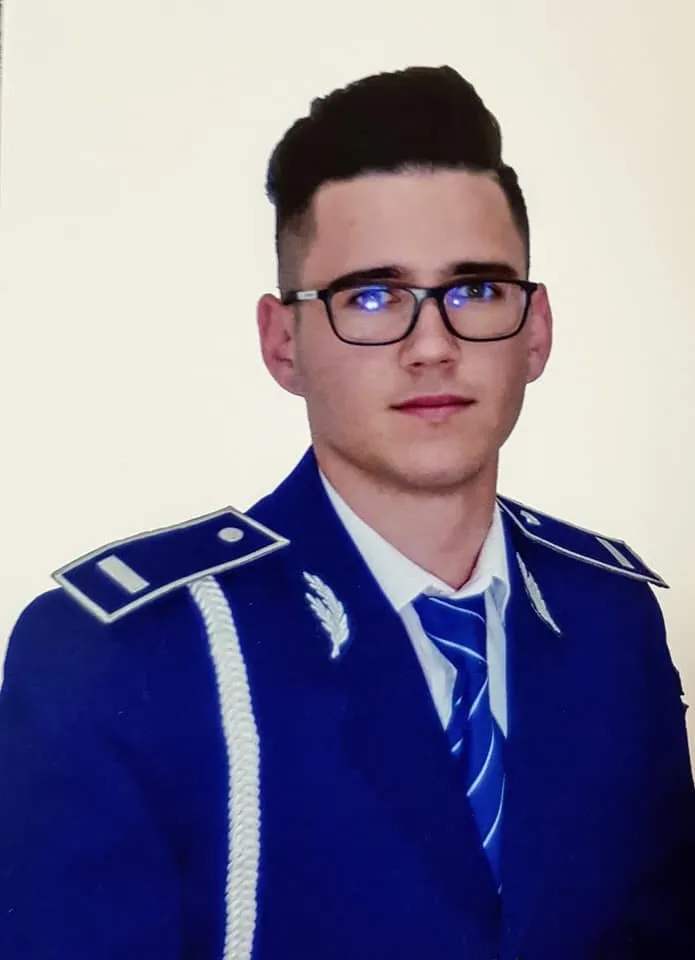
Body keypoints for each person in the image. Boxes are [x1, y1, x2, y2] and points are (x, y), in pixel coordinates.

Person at [0, 65, 693, 960]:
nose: (432, 346)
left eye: (476, 291)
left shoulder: (608, 617)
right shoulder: (120, 657)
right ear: (281, 342)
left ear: (536, 330)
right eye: (371, 297)